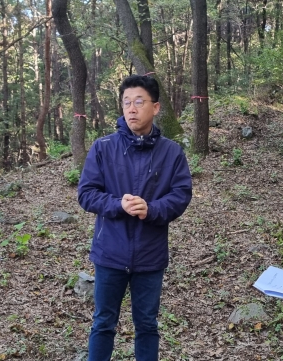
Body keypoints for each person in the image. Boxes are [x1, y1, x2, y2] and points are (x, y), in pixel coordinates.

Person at [77, 74, 192, 361]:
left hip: (150, 255)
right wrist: (118, 204)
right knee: (103, 323)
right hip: (109, 253)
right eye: (126, 102)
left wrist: (151, 209)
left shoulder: (171, 152)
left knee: (147, 325)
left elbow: (180, 195)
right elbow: (86, 193)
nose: (131, 108)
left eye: (139, 102)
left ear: (155, 107)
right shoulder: (103, 147)